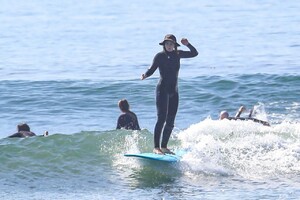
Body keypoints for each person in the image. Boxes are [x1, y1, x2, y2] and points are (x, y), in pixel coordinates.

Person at [141, 34, 198, 154]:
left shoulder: (178, 54)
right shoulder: (159, 56)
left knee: (171, 120)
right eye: (167, 43)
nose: (169, 46)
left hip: (174, 91)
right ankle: (156, 147)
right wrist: (145, 75)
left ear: (175, 45)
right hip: (162, 90)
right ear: (164, 45)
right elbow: (152, 69)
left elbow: (194, 53)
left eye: (171, 44)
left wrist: (188, 44)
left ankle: (164, 146)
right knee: (161, 118)